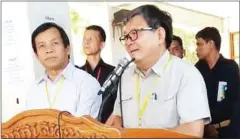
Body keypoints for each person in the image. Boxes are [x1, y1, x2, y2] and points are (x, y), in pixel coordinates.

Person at [106, 5, 211, 137]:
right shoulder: (125, 75)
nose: (128, 42)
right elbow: (117, 118)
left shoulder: (186, 74)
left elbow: (192, 131)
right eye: (125, 37)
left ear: (160, 35)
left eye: (134, 34)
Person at [26, 22, 102, 118]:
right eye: (42, 46)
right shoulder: (33, 89)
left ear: (67, 48)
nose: (49, 50)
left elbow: (83, 129)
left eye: (55, 43)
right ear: (37, 56)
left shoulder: (86, 83)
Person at [195, 27, 240, 137]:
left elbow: (237, 101)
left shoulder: (230, 67)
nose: (196, 49)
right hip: (204, 132)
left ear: (210, 44)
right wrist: (206, 126)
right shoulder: (197, 69)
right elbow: (195, 101)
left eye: (200, 44)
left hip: (229, 131)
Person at [76, 25, 117, 123]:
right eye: (84, 39)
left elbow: (118, 106)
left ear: (102, 44)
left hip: (107, 129)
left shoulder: (114, 72)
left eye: (91, 39)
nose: (86, 42)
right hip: (81, 129)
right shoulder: (77, 72)